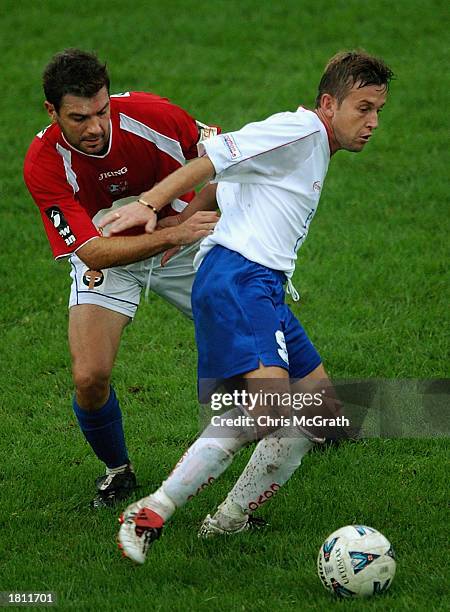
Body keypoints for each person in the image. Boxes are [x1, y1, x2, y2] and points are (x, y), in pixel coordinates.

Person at [100, 49, 394, 564]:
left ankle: (230, 519)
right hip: (240, 279)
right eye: (362, 108)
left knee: (319, 414)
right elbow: (211, 160)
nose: (371, 123)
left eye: (378, 112)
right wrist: (151, 207)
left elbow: (226, 178)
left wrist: (181, 224)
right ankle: (151, 511)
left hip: (263, 286)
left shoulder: (308, 143)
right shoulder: (298, 131)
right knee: (270, 409)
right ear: (329, 104)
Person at [23, 48, 219, 508]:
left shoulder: (157, 115)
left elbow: (227, 162)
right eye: (78, 118)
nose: (94, 127)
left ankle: (321, 419)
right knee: (90, 376)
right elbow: (93, 252)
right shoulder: (43, 162)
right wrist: (170, 230)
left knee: (260, 337)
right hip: (112, 258)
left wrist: (184, 223)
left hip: (184, 246)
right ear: (52, 111)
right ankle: (119, 470)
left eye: (102, 111)